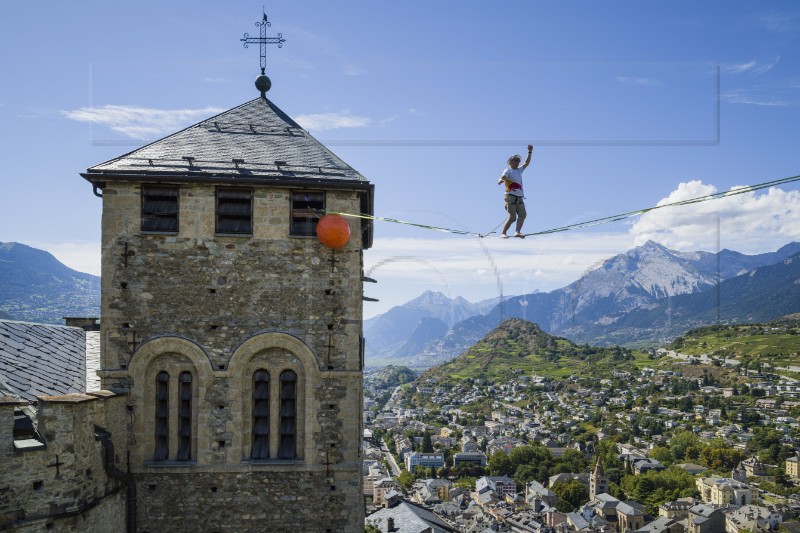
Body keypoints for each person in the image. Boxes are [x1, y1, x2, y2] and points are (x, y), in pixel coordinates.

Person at [498, 144, 533, 238]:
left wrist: (529, 152)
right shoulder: (508, 171)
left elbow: (526, 163)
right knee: (512, 217)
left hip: (519, 197)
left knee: (522, 214)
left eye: (519, 161)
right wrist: (501, 180)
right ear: (510, 162)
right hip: (510, 196)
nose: (518, 162)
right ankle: (503, 233)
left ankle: (517, 232)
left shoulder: (519, 170)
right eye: (516, 160)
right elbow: (503, 177)